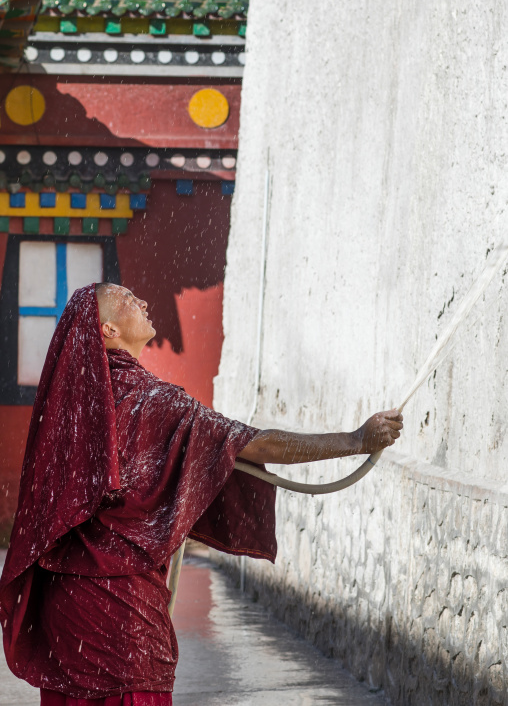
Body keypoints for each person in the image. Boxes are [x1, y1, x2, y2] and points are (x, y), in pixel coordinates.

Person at [0, 283, 403, 706]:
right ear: (108, 331)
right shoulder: (149, 400)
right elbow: (254, 444)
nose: (141, 300)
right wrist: (354, 440)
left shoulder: (71, 408)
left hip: (69, 608)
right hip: (121, 616)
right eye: (125, 299)